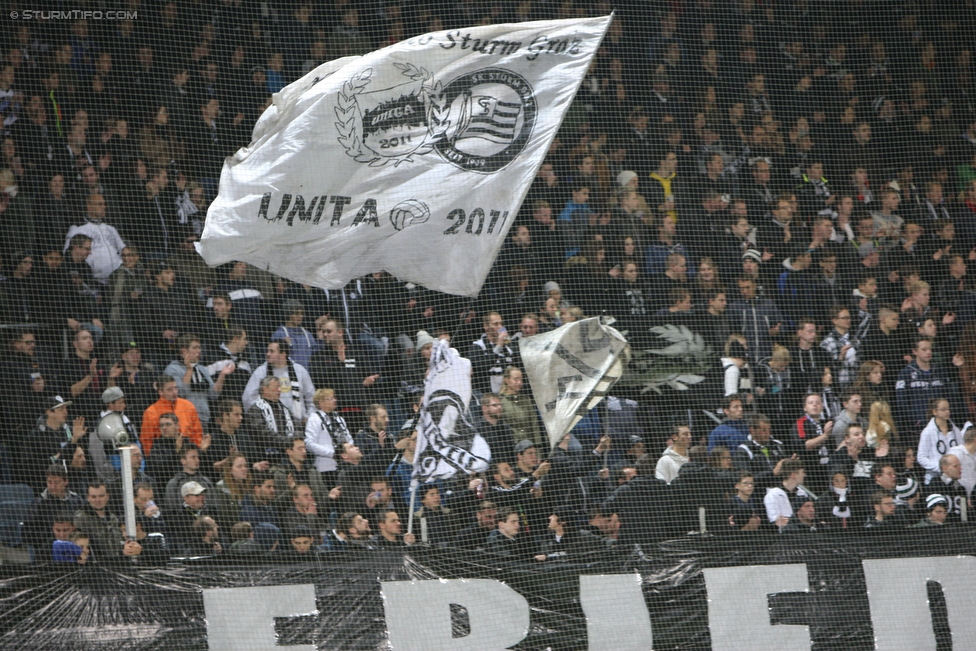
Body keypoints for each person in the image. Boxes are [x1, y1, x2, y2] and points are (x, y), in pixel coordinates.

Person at [164, 334, 234, 425]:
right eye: (195, 348)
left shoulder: (201, 369)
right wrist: (189, 369)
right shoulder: (172, 369)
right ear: (184, 351)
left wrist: (222, 375)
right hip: (182, 419)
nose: (199, 351)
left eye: (199, 347)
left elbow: (213, 395)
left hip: (203, 419)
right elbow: (181, 393)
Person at [242, 341, 315, 425]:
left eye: (272, 351)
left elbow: (312, 397)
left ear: (283, 354)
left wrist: (309, 417)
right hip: (272, 424)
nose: (268, 354)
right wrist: (260, 418)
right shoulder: (260, 372)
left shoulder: (300, 370)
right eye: (267, 351)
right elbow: (248, 398)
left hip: (299, 424)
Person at [73, 481, 142, 561]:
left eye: (101, 496)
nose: (97, 500)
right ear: (88, 498)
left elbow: (119, 543)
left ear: (107, 496)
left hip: (117, 564)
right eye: (93, 497)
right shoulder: (81, 519)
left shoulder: (113, 518)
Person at [140, 375, 204, 456]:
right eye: (169, 390)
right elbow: (147, 440)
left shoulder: (188, 406)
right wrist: (154, 460)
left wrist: (197, 453)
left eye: (175, 388)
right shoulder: (151, 412)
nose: (174, 392)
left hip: (188, 453)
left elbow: (197, 432)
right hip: (164, 454)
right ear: (160, 392)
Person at [304, 388, 353, 489]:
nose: (334, 400)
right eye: (330, 398)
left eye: (334, 398)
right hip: (326, 468)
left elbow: (348, 438)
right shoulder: (314, 418)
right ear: (321, 402)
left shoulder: (339, 418)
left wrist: (349, 451)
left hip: (345, 465)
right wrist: (333, 453)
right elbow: (309, 443)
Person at [917, 398, 962, 485]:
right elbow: (921, 458)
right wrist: (940, 467)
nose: (947, 412)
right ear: (934, 412)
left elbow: (962, 450)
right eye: (943, 409)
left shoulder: (955, 430)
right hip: (935, 479)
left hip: (954, 478)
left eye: (948, 409)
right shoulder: (927, 432)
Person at [763, 459, 807, 530]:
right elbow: (776, 521)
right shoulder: (773, 495)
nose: (804, 475)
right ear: (794, 475)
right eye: (802, 472)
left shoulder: (802, 493)